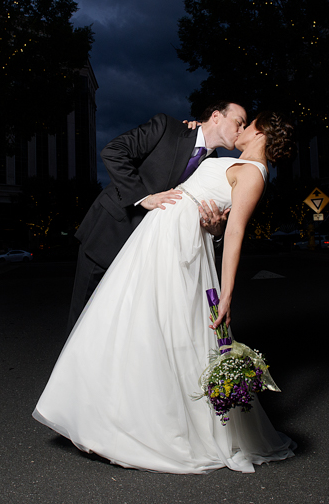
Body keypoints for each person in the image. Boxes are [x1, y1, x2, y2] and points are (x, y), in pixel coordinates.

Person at [34, 111, 297, 474]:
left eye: (248, 124)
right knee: (124, 319)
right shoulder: (230, 160)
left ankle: (145, 427)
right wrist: (197, 127)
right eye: (239, 120)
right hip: (155, 236)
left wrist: (227, 293)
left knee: (160, 329)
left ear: (261, 133)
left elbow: (233, 233)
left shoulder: (253, 173)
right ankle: (102, 414)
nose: (242, 127)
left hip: (178, 246)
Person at [66, 101, 248, 334]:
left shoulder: (215, 168)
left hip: (150, 258)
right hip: (110, 235)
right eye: (238, 122)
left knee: (120, 329)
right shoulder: (167, 128)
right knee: (81, 323)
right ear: (215, 116)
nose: (242, 130)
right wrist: (143, 197)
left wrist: (216, 232)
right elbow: (113, 151)